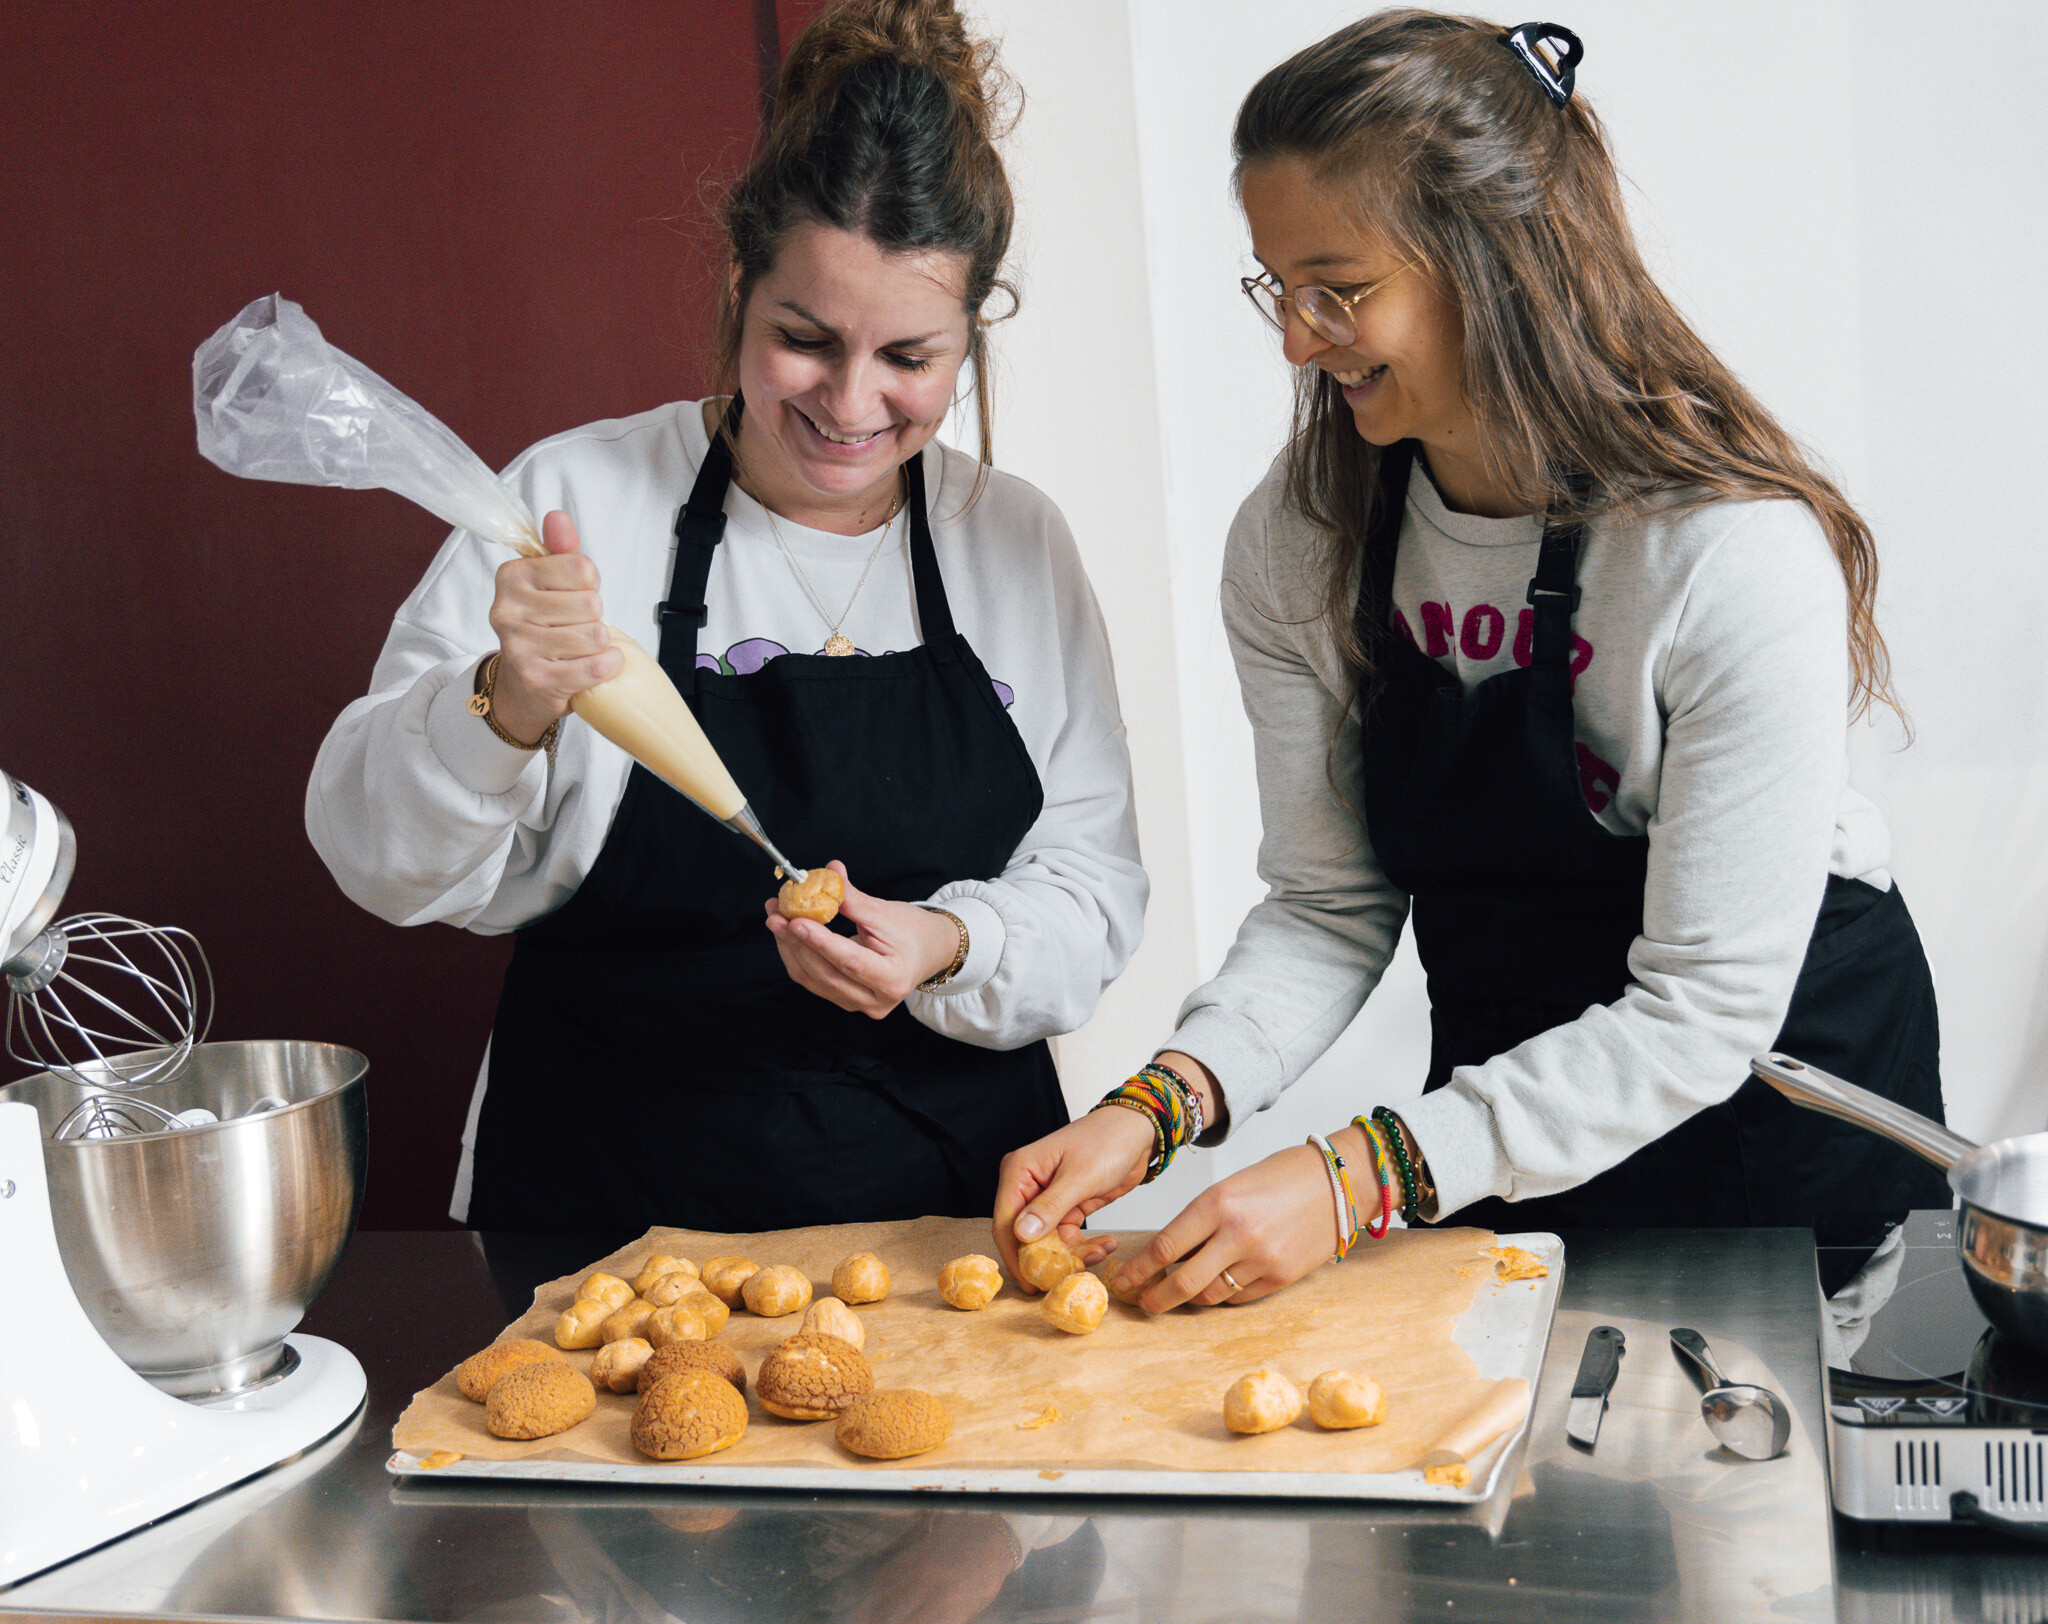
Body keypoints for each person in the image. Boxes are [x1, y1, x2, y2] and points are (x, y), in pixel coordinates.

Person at [993, 12, 1948, 1306]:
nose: (1295, 340)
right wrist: (1159, 1106)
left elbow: (1703, 1010)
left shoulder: (1725, 556)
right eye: (1280, 285)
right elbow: (1332, 907)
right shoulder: (1305, 540)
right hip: (1508, 1139)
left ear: (1494, 263)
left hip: (1777, 1137)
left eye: (1341, 287)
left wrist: (1358, 1175)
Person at [306, 0, 1145, 1231]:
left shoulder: (1013, 542)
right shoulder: (569, 502)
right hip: (603, 1214)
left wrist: (947, 942)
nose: (851, 405)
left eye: (908, 357)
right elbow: (371, 857)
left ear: (970, 333)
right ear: (739, 281)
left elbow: (1093, 887)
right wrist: (503, 704)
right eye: (804, 339)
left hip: (958, 1224)